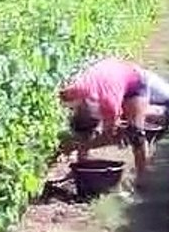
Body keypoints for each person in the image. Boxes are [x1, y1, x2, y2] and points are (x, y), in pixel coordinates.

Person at [59, 57, 156, 185]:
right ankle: (82, 167)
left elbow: (110, 135)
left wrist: (78, 145)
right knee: (84, 135)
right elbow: (59, 95)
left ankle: (142, 180)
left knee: (135, 134)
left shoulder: (111, 107)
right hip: (109, 71)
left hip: (135, 80)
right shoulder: (75, 90)